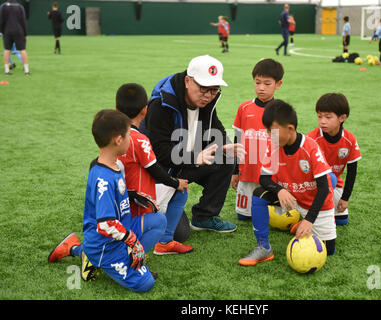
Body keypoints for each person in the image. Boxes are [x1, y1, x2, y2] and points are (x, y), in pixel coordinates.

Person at [48, 110, 160, 292]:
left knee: (158, 221)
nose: (131, 139)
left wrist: (132, 195)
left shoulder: (113, 165)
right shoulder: (104, 178)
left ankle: (119, 258)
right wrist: (133, 241)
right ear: (118, 139)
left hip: (121, 232)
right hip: (105, 245)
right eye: (129, 135)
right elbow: (106, 224)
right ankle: (85, 253)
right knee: (146, 284)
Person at [141, 55, 245, 233]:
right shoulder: (161, 104)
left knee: (226, 159)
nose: (208, 96)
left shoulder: (206, 102)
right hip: (159, 173)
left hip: (185, 163)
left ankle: (204, 217)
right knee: (178, 234)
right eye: (204, 88)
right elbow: (161, 153)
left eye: (214, 90)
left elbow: (216, 129)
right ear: (188, 81)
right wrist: (196, 157)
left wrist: (225, 146)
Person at [239, 100, 336, 266]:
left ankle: (303, 221)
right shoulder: (274, 145)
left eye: (272, 131)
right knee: (259, 194)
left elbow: (323, 188)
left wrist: (309, 220)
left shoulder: (310, 147)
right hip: (290, 197)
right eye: (267, 131)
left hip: (314, 202)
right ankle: (263, 247)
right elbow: (264, 178)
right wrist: (279, 190)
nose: (269, 136)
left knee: (329, 250)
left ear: (290, 129)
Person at [115, 83, 193, 255]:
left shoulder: (111, 135)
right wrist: (175, 182)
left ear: (116, 108)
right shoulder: (139, 139)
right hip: (136, 201)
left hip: (114, 201)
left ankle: (75, 248)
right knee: (181, 191)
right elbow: (155, 169)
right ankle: (163, 242)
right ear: (145, 110)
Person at [231, 58, 284, 221]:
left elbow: (285, 146)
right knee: (243, 216)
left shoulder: (281, 110)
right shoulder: (245, 108)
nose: (261, 88)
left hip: (272, 174)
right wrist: (234, 171)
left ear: (278, 84)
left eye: (267, 83)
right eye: (257, 82)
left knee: (275, 217)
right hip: (247, 171)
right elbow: (237, 141)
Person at [306, 93, 361, 226]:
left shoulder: (349, 140)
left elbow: (352, 171)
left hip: (334, 185)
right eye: (319, 116)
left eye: (328, 117)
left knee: (342, 221)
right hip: (312, 186)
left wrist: (345, 198)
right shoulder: (312, 138)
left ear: (342, 118)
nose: (322, 121)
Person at [0, 0, 30, 75]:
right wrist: (25, 34)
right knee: (22, 50)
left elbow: (1, 21)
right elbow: (23, 21)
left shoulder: (4, 7)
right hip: (19, 31)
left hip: (7, 31)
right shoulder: (20, 7)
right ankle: (27, 71)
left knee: (7, 50)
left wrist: (2, 32)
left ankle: (7, 70)